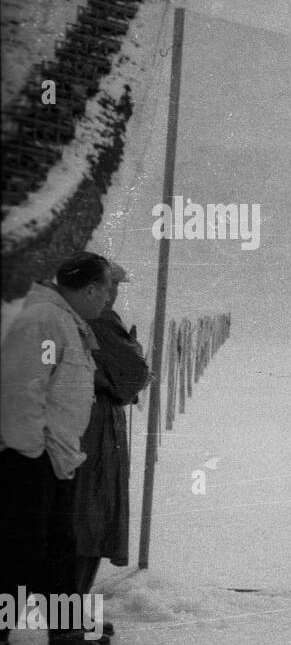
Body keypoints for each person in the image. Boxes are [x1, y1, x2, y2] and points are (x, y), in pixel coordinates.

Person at [2, 252, 125, 645]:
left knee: (58, 551)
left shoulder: (64, 319)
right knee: (20, 553)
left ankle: (68, 636)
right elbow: (20, 390)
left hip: (54, 456)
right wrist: (30, 454)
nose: (109, 296)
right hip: (28, 458)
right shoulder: (43, 320)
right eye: (107, 287)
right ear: (89, 288)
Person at [72, 261, 150, 624]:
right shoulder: (102, 321)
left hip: (78, 426)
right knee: (89, 520)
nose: (113, 293)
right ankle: (69, 625)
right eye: (109, 286)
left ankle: (68, 619)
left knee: (77, 522)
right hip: (95, 428)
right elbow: (134, 372)